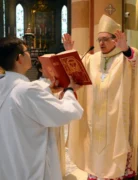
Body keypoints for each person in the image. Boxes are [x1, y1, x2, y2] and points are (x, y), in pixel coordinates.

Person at [62, 14, 138, 180]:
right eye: (99, 39)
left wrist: (126, 49)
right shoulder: (92, 59)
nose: (101, 43)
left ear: (116, 40)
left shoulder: (125, 58)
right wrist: (69, 52)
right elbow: (76, 70)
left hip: (118, 122)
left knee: (117, 156)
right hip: (95, 121)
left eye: (106, 39)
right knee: (95, 156)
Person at [0, 37, 84, 180]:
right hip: (30, 164)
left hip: (10, 161)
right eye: (27, 51)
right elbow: (66, 113)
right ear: (19, 58)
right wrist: (69, 91)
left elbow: (22, 105)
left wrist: (48, 90)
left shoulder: (5, 85)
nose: (29, 54)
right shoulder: (27, 90)